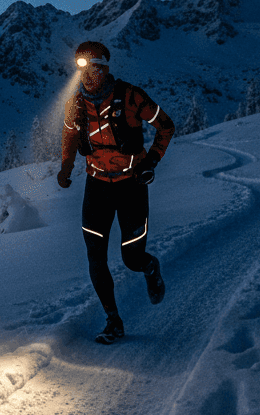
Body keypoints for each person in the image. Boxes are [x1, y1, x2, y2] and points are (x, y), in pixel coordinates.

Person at [57, 41, 176, 343]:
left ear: (104, 68)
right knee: (95, 257)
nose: (87, 77)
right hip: (96, 186)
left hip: (131, 186)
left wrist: (151, 161)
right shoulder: (75, 104)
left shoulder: (131, 97)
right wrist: (66, 167)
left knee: (130, 258)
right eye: (82, 70)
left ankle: (149, 266)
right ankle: (113, 321)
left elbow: (166, 126)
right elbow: (70, 134)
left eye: (93, 69)